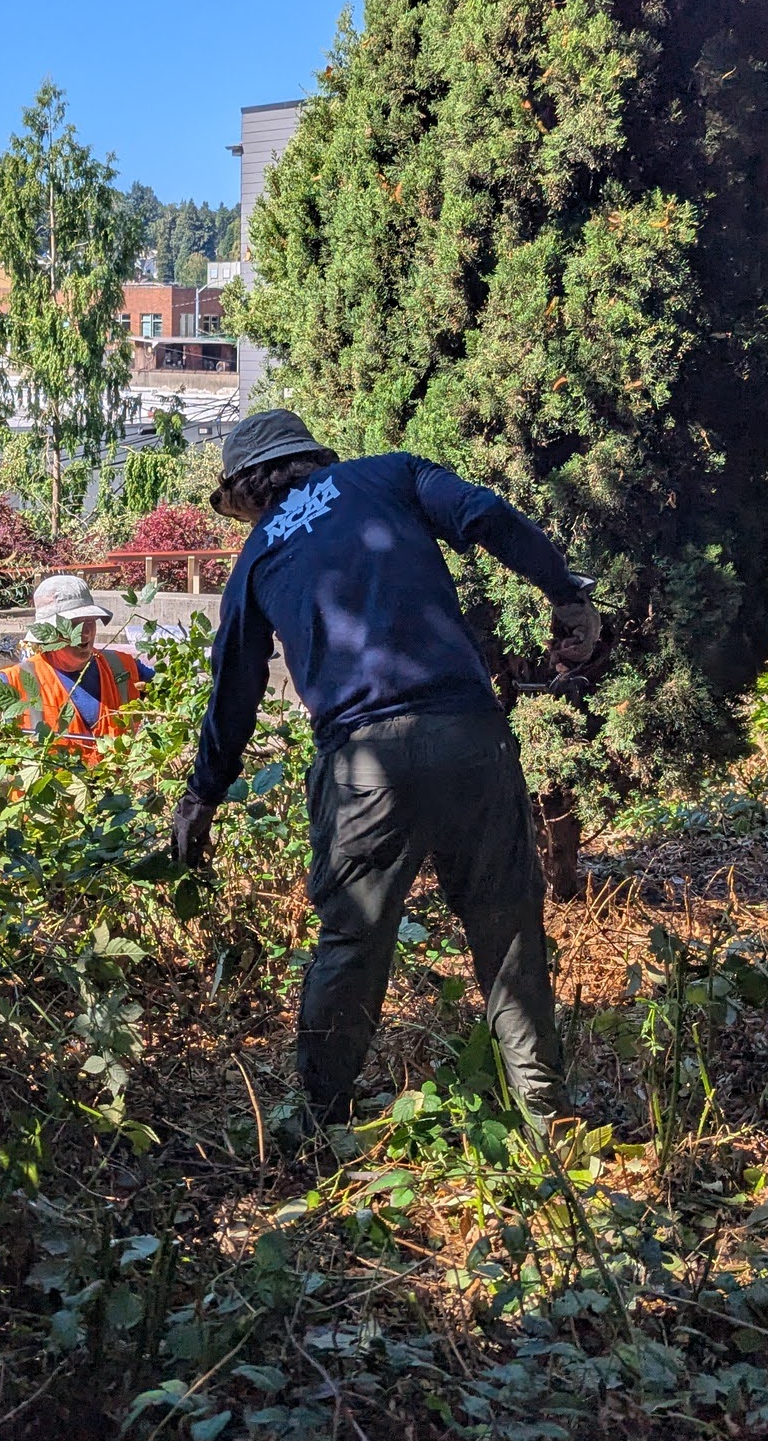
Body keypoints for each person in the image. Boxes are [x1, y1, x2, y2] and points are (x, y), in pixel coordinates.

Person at [169, 410, 600, 1130]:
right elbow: (486, 514)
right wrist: (564, 591)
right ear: (313, 457)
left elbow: (233, 694)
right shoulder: (392, 474)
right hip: (469, 736)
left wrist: (201, 796)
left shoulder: (256, 559)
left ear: (245, 490)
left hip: (363, 764)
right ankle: (546, 1116)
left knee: (352, 942)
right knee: (506, 926)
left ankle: (320, 1122)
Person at [0, 572, 154, 763]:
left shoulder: (121, 668)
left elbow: (169, 689)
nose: (86, 632)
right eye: (74, 624)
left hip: (120, 795)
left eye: (90, 622)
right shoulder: (15, 681)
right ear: (48, 632)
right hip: (50, 798)